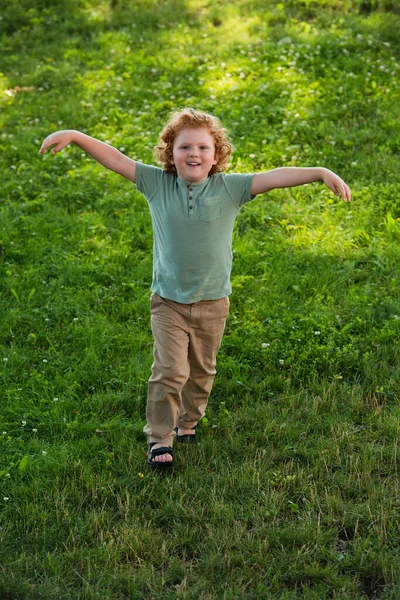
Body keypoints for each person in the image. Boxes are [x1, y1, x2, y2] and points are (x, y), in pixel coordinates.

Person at [40, 107, 351, 468]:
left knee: (201, 372)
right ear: (169, 154)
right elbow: (116, 159)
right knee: (170, 370)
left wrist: (320, 173)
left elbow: (275, 176)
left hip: (213, 302)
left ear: (217, 155)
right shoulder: (157, 184)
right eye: (184, 147)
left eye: (203, 148)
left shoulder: (231, 188)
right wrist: (76, 136)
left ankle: (189, 421)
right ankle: (160, 437)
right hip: (168, 301)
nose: (194, 154)